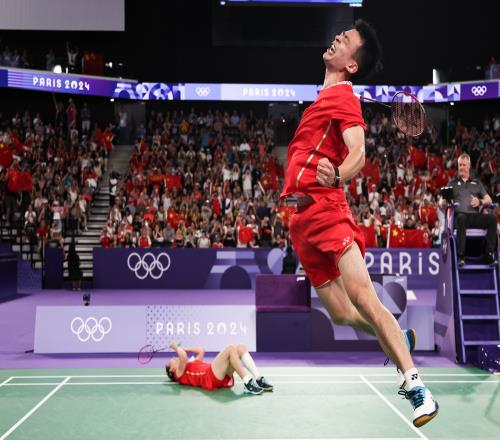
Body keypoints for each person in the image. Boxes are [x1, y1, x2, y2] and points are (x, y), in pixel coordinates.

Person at [280, 19, 438, 427]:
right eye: (341, 34)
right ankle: (397, 338)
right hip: (301, 221)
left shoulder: (344, 96)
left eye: (346, 39)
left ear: (352, 65)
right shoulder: (324, 98)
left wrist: (338, 174)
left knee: (365, 299)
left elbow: (358, 153)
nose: (337, 37)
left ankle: (417, 388)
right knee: (340, 313)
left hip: (328, 211)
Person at [438, 153, 497, 267]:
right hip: (460, 217)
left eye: (464, 165)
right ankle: (461, 256)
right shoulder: (452, 183)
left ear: (469, 166)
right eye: (460, 165)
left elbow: (489, 199)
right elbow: (441, 202)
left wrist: (480, 202)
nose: (461, 167)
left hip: (474, 217)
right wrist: (444, 202)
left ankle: (488, 254)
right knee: (461, 218)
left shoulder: (477, 183)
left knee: (492, 219)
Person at [165, 342, 273, 395]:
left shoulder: (191, 363)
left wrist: (185, 348)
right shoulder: (179, 373)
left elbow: (201, 350)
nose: (174, 358)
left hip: (218, 375)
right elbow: (183, 356)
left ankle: (259, 379)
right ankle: (248, 383)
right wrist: (175, 347)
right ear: (171, 369)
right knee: (230, 349)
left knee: (240, 348)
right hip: (209, 377)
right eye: (171, 360)